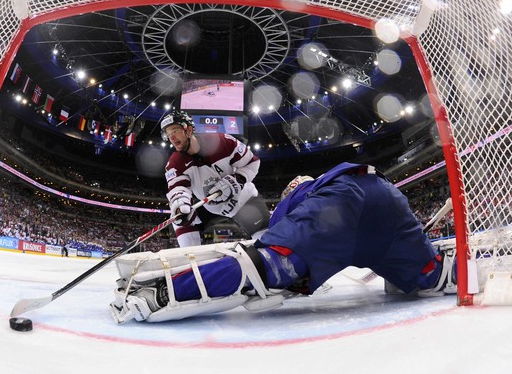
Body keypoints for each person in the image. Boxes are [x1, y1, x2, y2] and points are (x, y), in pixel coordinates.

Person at [110, 162, 456, 323]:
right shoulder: (321, 184)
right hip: (387, 196)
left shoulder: (301, 196)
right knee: (431, 277)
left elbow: (269, 250)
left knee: (265, 265)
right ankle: (462, 260)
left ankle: (161, 288)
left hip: (339, 206)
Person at [160, 110, 270, 248]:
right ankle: (192, 261)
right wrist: (180, 203)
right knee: (179, 218)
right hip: (208, 205)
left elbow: (252, 162)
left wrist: (237, 179)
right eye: (168, 134)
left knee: (267, 241)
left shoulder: (221, 141)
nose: (172, 137)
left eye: (175, 131)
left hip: (242, 199)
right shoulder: (175, 163)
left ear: (188, 129)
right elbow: (179, 188)